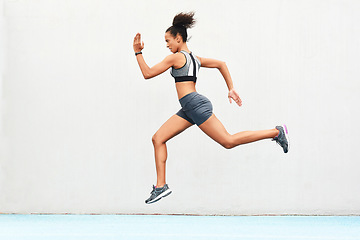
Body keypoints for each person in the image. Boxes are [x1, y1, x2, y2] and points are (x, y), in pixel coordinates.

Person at [133, 12, 289, 204]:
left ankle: (276, 132)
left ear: (178, 38)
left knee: (228, 141)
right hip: (190, 107)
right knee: (158, 139)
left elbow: (147, 73)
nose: (166, 45)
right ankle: (160, 186)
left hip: (194, 104)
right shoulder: (195, 58)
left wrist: (137, 52)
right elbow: (221, 64)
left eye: (168, 40)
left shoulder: (174, 58)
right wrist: (230, 88)